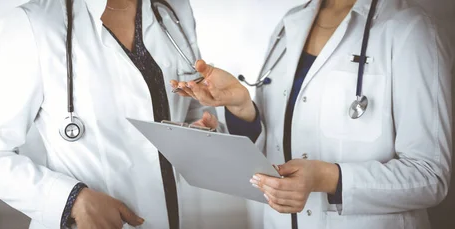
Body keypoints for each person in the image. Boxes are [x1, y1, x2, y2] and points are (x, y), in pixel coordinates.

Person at [173, 0, 452, 228]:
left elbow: (430, 176)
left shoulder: (410, 28)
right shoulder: (290, 23)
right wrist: (241, 109)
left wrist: (328, 178)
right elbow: (279, 139)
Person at [0, 0, 219, 229]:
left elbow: (188, 107)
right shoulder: (36, 24)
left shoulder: (174, 9)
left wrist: (197, 132)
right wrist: (72, 201)